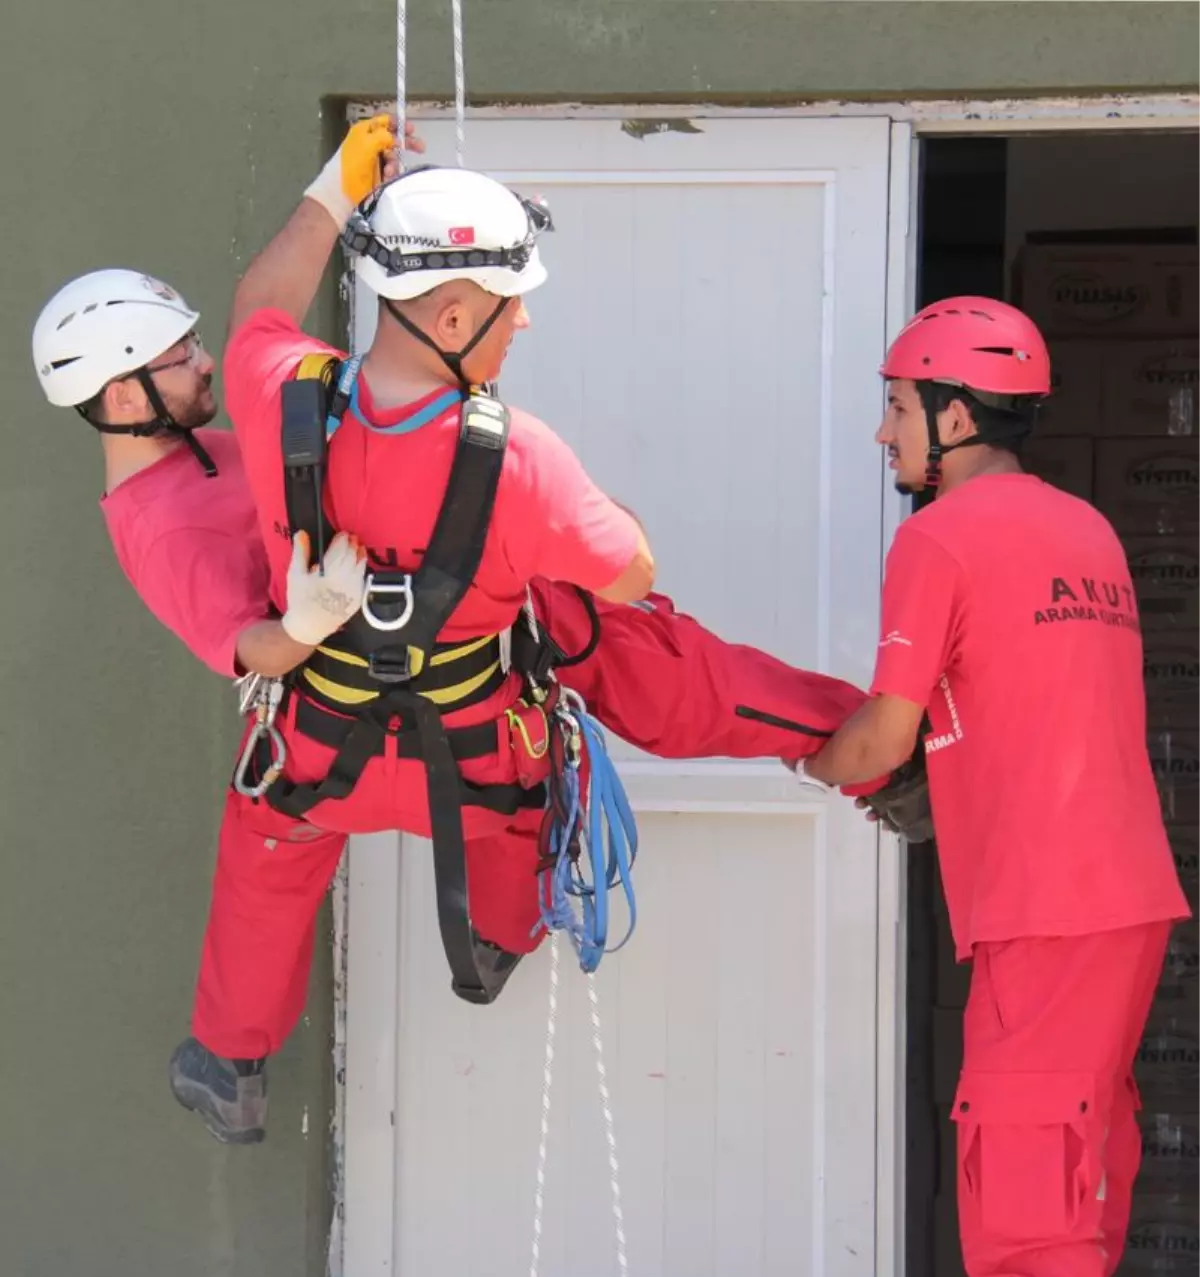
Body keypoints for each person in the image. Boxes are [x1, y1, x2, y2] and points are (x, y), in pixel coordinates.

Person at [33, 117, 895, 1145]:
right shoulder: (522, 460)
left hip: (321, 753)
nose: (520, 326)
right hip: (486, 751)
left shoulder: (273, 397)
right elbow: (631, 571)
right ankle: (506, 936)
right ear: (450, 310)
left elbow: (263, 307)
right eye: (509, 306)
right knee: (607, 656)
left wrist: (332, 187)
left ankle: (230, 1056)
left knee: (265, 840)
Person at [801, 295, 1191, 1277]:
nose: (885, 433)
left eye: (897, 408)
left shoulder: (937, 538)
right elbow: (1029, 703)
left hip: (1040, 908)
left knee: (1025, 1205)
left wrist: (811, 761)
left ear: (957, 415)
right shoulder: (1089, 530)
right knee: (1083, 1171)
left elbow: (882, 728)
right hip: (1126, 904)